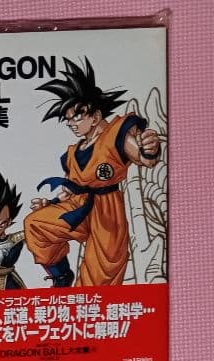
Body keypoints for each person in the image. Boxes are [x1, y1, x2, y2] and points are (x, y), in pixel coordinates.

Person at [23, 57, 162, 287]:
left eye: (76, 117)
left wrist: (150, 148)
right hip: (78, 206)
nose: (71, 124)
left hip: (107, 213)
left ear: (95, 116)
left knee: (98, 280)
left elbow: (144, 157)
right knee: (35, 224)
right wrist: (50, 203)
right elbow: (70, 189)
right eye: (68, 120)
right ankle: (61, 276)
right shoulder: (73, 152)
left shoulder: (116, 135)